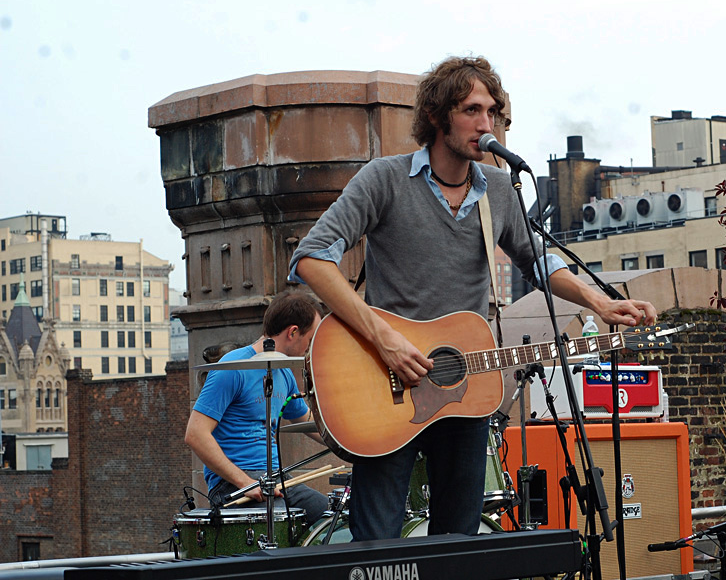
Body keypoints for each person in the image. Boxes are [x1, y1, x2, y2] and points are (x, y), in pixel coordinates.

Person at [288, 55, 657, 541]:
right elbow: (312, 257)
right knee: (377, 544)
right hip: (383, 383)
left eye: (492, 113)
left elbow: (539, 261)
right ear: (439, 117)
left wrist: (599, 303)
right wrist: (386, 340)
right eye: (471, 111)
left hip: (462, 390)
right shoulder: (386, 180)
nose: (486, 125)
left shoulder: (499, 191)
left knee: (458, 543)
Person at [184, 290, 329, 526]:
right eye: (310, 339)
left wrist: (348, 444)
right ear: (293, 332)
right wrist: (244, 482)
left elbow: (307, 420)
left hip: (276, 478)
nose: (311, 347)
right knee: (281, 522)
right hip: (233, 484)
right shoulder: (232, 368)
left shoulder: (283, 372)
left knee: (332, 518)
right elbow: (195, 434)